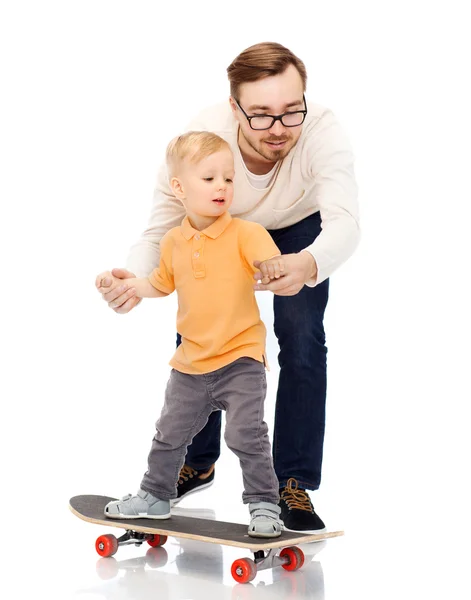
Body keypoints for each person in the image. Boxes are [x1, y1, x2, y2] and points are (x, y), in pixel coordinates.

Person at [96, 42, 360, 532]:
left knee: (302, 339)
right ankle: (197, 462)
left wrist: (309, 263)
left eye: (290, 111)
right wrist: (132, 280)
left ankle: (291, 483)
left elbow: (345, 222)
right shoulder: (202, 139)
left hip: (300, 230)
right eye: (260, 115)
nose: (278, 128)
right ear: (234, 107)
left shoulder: (323, 132)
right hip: (223, 222)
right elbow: (161, 230)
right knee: (201, 321)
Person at [100, 131, 285, 538]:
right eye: (210, 178)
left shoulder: (245, 233)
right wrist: (128, 284)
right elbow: (160, 284)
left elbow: (269, 262)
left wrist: (273, 267)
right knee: (168, 434)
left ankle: (264, 505)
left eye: (229, 178)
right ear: (179, 188)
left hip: (240, 358)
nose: (222, 186)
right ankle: (155, 496)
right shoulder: (173, 241)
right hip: (190, 362)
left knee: (246, 434)